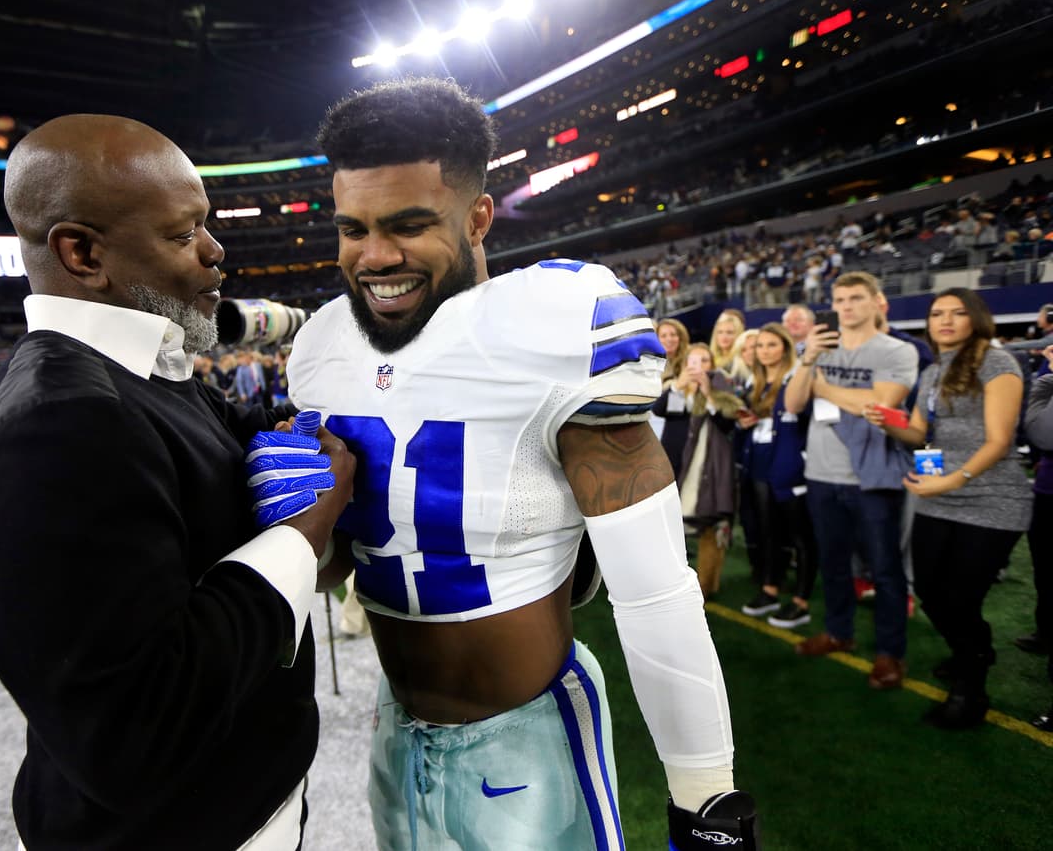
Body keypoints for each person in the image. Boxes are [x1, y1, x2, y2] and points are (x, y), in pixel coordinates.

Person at [291, 78, 756, 850]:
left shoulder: (555, 326)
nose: (375, 257)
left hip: (527, 737)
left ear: (477, 216)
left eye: (408, 225)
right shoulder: (321, 347)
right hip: (394, 727)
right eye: (353, 228)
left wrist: (706, 800)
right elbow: (340, 561)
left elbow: (655, 595)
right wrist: (296, 524)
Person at [0, 114, 356, 850]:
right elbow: (132, 734)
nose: (214, 250)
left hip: (233, 802)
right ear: (83, 252)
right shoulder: (54, 423)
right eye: (181, 234)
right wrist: (300, 536)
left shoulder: (137, 368)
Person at [864, 290, 1030, 727]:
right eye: (937, 313)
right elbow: (921, 432)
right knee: (932, 591)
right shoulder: (935, 369)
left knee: (961, 598)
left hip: (991, 501)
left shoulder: (998, 363)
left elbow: (999, 440)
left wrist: (951, 481)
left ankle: (970, 691)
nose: (946, 320)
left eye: (958, 313)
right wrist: (889, 420)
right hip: (938, 495)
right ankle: (970, 651)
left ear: (976, 318)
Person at [784, 271, 918, 689]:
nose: (846, 306)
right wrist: (808, 362)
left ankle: (890, 654)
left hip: (873, 474)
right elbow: (792, 402)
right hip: (822, 473)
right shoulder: (815, 348)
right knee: (834, 562)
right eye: (840, 299)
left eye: (856, 298)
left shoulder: (898, 350)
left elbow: (880, 403)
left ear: (877, 302)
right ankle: (839, 632)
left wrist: (824, 388)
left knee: (885, 568)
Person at [736, 324, 816, 628]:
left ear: (784, 347)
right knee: (768, 529)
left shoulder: (795, 378)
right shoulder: (754, 382)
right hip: (758, 461)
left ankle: (801, 600)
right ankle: (770, 588)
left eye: (772, 345)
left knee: (799, 533)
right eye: (760, 346)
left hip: (790, 463)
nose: (765, 351)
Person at [667, 344, 743, 598]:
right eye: (692, 360)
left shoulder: (722, 385)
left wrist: (709, 392)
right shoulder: (678, 386)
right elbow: (661, 409)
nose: (697, 366)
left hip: (709, 466)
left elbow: (727, 421)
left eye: (704, 360)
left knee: (712, 524)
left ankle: (706, 584)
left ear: (712, 365)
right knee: (674, 525)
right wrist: (679, 384)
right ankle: (676, 580)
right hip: (677, 462)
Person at [1023, 345, 1053, 729]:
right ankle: (1046, 635)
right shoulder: (1046, 382)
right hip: (1047, 494)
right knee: (1045, 577)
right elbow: (1042, 433)